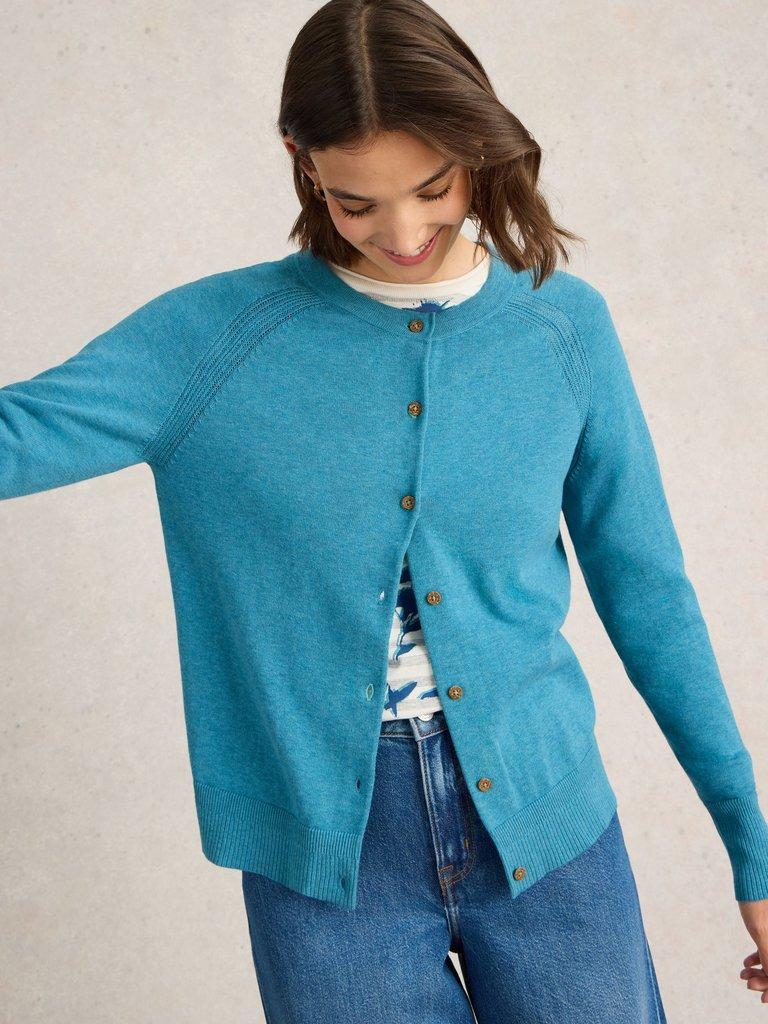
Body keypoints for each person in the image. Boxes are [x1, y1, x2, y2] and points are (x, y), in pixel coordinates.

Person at [3, 0, 768, 1020]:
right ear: (302, 163)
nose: (403, 233)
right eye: (357, 203)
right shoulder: (215, 341)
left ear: (477, 148)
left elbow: (650, 596)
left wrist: (752, 842)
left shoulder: (562, 329)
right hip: (329, 863)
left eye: (434, 188)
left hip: (548, 823)